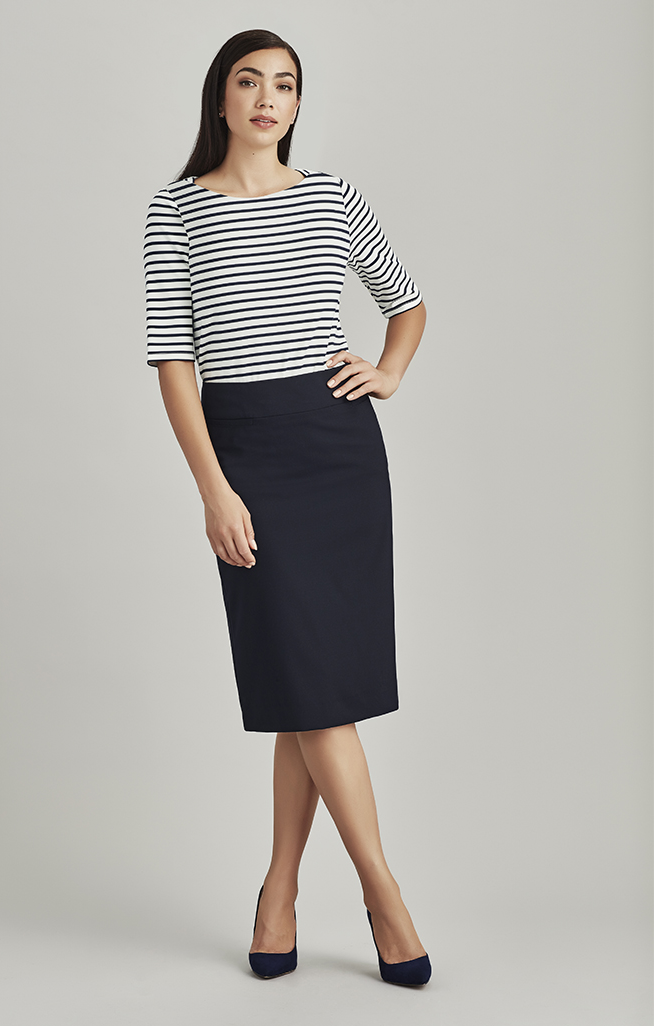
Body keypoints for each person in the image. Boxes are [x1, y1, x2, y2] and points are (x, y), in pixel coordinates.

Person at [143, 28, 431, 986]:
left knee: (310, 691)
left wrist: (387, 370)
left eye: (285, 85)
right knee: (306, 684)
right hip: (248, 454)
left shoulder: (331, 196)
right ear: (219, 98)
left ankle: (279, 892)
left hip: (337, 450)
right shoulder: (176, 210)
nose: (267, 98)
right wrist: (214, 489)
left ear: (298, 104)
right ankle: (384, 893)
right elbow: (174, 364)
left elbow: (406, 302)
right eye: (249, 81)